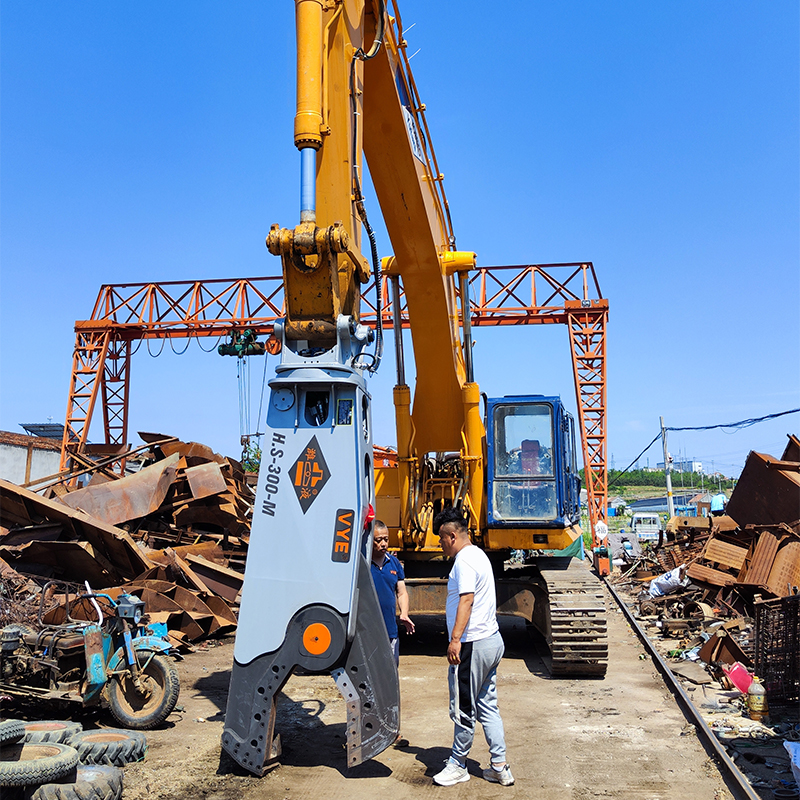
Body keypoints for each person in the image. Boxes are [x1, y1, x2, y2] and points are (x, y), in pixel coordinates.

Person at [431, 507, 513, 787]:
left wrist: (455, 639)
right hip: (492, 639)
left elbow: (467, 599)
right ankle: (499, 766)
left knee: (463, 707)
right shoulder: (479, 555)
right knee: (488, 705)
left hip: (472, 644)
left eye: (441, 539)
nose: (440, 545)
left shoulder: (464, 561)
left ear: (452, 535)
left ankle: (458, 763)